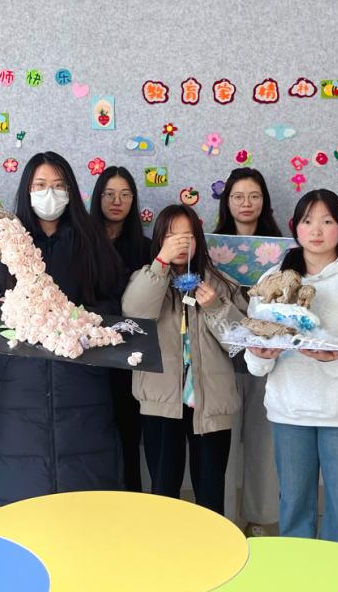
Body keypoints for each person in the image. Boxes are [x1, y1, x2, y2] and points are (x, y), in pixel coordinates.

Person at [0, 151, 124, 505]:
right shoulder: (4, 244)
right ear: (27, 190)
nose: (49, 193)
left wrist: (72, 318)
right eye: (40, 185)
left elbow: (115, 302)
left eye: (58, 185)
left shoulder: (91, 242)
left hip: (83, 380)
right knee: (25, 495)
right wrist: (8, 306)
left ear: (70, 191)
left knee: (85, 499)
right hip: (21, 383)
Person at [245, 189, 338, 546]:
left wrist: (336, 359)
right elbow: (256, 349)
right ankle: (299, 575)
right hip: (289, 410)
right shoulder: (273, 279)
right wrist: (262, 354)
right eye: (308, 221)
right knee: (294, 505)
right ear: (295, 227)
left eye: (327, 221)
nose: (317, 230)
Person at [122, 204, 244, 514]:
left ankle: (213, 541)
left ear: (198, 240)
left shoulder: (219, 283)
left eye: (186, 235)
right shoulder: (146, 278)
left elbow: (238, 341)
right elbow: (136, 314)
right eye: (170, 235)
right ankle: (165, 541)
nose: (179, 242)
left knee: (211, 489)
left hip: (211, 402)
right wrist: (160, 264)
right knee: (163, 488)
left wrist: (215, 306)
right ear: (159, 240)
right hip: (161, 400)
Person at [213, 167, 284, 535]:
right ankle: (223, 524)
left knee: (263, 445)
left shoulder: (283, 252)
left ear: (264, 201)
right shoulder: (209, 249)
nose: (246, 203)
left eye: (254, 196)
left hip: (267, 360)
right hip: (221, 360)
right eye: (238, 196)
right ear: (227, 202)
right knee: (221, 446)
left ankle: (261, 520)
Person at [91, 166, 151, 491]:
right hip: (88, 354)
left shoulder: (146, 248)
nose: (117, 201)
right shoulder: (81, 244)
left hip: (130, 358)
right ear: (98, 197)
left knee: (128, 438)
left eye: (125, 195)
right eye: (110, 194)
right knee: (92, 436)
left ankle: (130, 506)